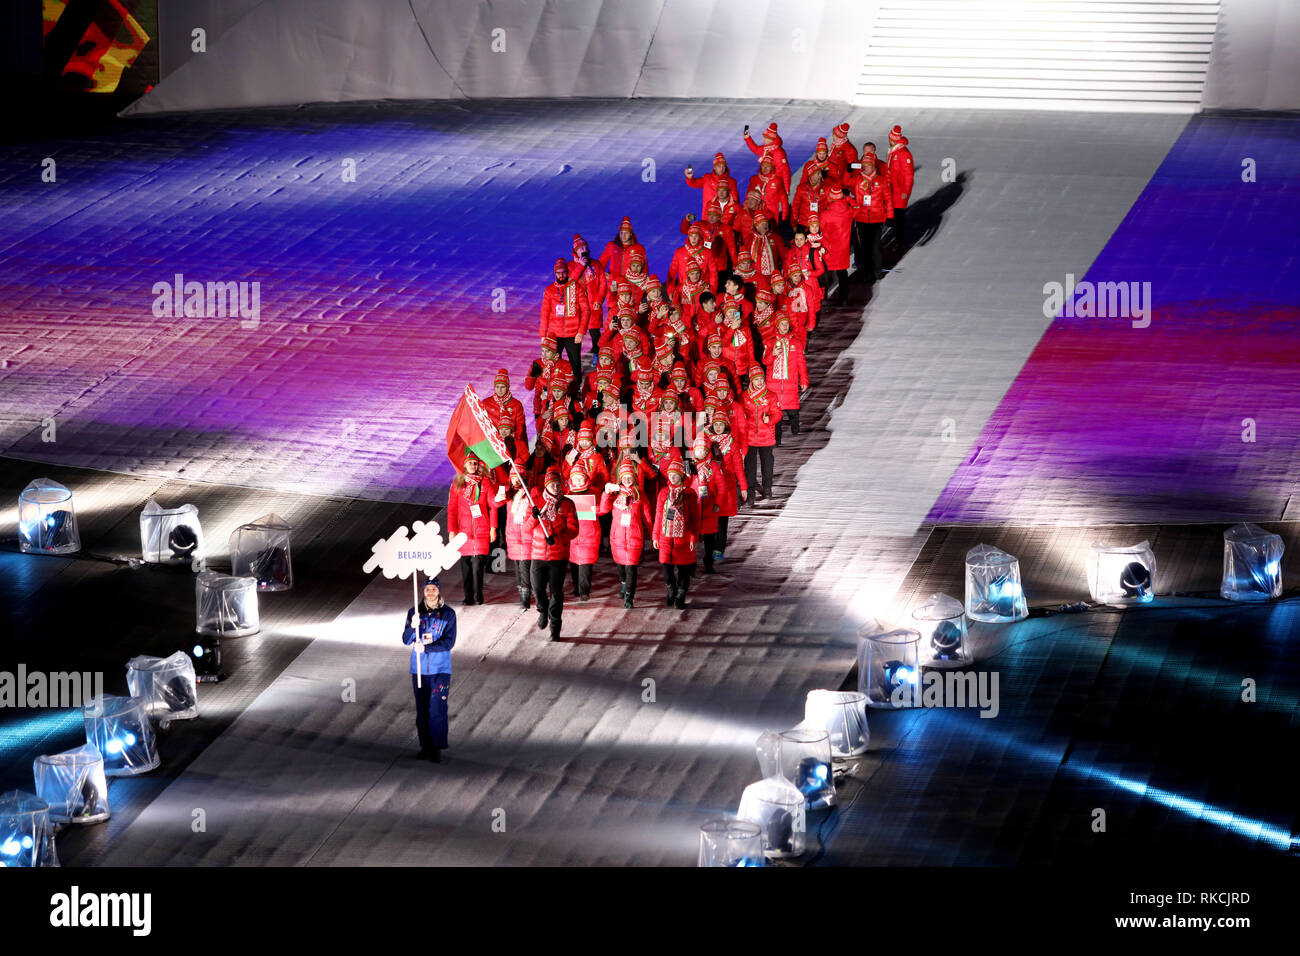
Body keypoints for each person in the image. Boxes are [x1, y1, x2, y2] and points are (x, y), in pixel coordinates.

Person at [401, 575, 456, 762]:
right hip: (418, 670)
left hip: (440, 670)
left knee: (437, 708)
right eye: (427, 589)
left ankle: (437, 747)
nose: (430, 592)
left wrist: (426, 648)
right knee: (422, 710)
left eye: (433, 588)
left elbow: (449, 642)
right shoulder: (414, 612)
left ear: (439, 590)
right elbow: (406, 639)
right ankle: (425, 746)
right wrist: (412, 627)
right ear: (423, 591)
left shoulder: (448, 614)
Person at [524, 467, 579, 641]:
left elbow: (573, 529)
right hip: (538, 555)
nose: (555, 487)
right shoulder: (536, 502)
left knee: (556, 593)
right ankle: (542, 610)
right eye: (552, 484)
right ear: (546, 485)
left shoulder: (567, 504)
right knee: (537, 588)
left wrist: (558, 538)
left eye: (558, 484)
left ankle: (555, 627)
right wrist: (534, 517)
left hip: (558, 556)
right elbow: (526, 529)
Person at [446, 453, 497, 605]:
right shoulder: (458, 484)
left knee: (477, 565)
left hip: (481, 530)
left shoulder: (485, 483)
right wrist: (452, 531)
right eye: (470, 463)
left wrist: (493, 527)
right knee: (466, 566)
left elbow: (493, 507)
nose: (473, 466)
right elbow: (452, 509)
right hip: (464, 532)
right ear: (465, 466)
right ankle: (468, 596)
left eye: (475, 463)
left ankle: (478, 595)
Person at [600, 460, 651, 608]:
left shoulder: (640, 494)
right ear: (620, 478)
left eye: (630, 476)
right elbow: (603, 510)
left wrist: (653, 535)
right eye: (624, 477)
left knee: (631, 567)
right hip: (618, 537)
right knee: (621, 566)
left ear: (634, 478)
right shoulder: (615, 494)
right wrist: (606, 494)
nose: (627, 479)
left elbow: (647, 517)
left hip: (635, 537)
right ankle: (623, 583)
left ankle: (629, 596)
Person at [653, 455, 701, 609]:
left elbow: (695, 518)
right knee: (666, 568)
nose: (673, 478)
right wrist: (655, 536)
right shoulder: (663, 492)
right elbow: (659, 515)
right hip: (666, 536)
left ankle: (681, 594)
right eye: (670, 475)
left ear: (681, 475)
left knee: (684, 570)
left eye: (675, 475)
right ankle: (671, 588)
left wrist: (694, 538)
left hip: (684, 538)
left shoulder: (689, 493)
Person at [540, 257, 591, 387]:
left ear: (567, 272)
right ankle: (552, 388)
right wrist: (542, 335)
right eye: (558, 273)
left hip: (572, 334)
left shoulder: (576, 288)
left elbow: (586, 311)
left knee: (575, 363)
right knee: (552, 362)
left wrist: (581, 332)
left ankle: (576, 389)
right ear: (555, 273)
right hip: (554, 334)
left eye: (563, 272)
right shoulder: (550, 290)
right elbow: (545, 313)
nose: (561, 275)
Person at [741, 364, 781, 505]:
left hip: (766, 437)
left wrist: (769, 419)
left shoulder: (771, 395)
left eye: (761, 379)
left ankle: (767, 489)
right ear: (751, 380)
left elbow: (778, 413)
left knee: (767, 464)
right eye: (756, 379)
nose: (759, 382)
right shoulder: (745, 396)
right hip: (750, 437)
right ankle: (750, 493)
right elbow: (741, 414)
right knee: (750, 467)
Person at [684, 152, 740, 219]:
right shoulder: (707, 178)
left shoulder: (731, 181)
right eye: (719, 166)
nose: (721, 169)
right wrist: (690, 178)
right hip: (708, 215)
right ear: (714, 167)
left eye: (723, 166)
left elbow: (735, 200)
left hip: (725, 217)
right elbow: (692, 183)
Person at [886, 125, 914, 249]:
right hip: (892, 189)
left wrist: (905, 191)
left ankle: (901, 242)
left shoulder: (903, 154)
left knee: (899, 217)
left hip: (899, 192)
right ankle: (898, 240)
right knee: (894, 216)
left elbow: (909, 176)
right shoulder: (894, 151)